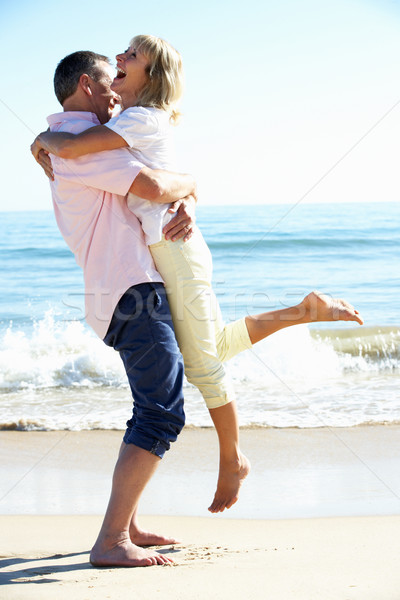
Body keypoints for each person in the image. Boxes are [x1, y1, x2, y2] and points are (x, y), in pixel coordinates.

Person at [32, 36, 364, 516]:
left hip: (165, 257)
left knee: (202, 364)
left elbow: (151, 180)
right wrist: (50, 141)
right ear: (88, 85)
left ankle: (232, 459)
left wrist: (46, 138)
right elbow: (149, 179)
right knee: (210, 350)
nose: (120, 66)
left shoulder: (119, 127)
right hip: (151, 264)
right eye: (114, 67)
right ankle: (304, 311)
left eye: (131, 59)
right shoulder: (99, 138)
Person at [32, 49, 203, 568]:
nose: (119, 93)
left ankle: (125, 524)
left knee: (148, 409)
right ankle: (110, 541)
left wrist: (187, 205)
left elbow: (153, 190)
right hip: (131, 291)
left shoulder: (72, 143)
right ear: (87, 85)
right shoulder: (83, 146)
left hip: (126, 289)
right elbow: (154, 185)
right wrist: (193, 184)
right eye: (111, 83)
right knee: (162, 412)